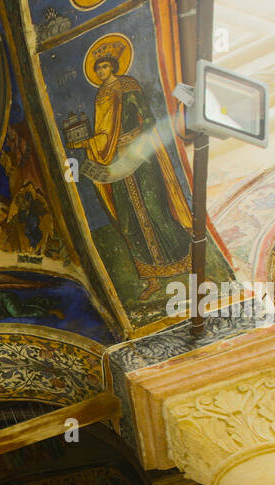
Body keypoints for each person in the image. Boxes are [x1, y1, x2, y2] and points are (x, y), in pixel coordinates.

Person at [73, 42, 193, 299]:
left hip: (140, 157)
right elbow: (103, 135)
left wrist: (140, 143)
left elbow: (148, 117)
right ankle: (150, 278)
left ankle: (186, 262)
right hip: (116, 161)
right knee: (127, 222)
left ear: (113, 66)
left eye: (105, 66)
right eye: (98, 68)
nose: (102, 71)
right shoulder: (100, 96)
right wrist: (89, 144)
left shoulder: (128, 86)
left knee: (154, 207)